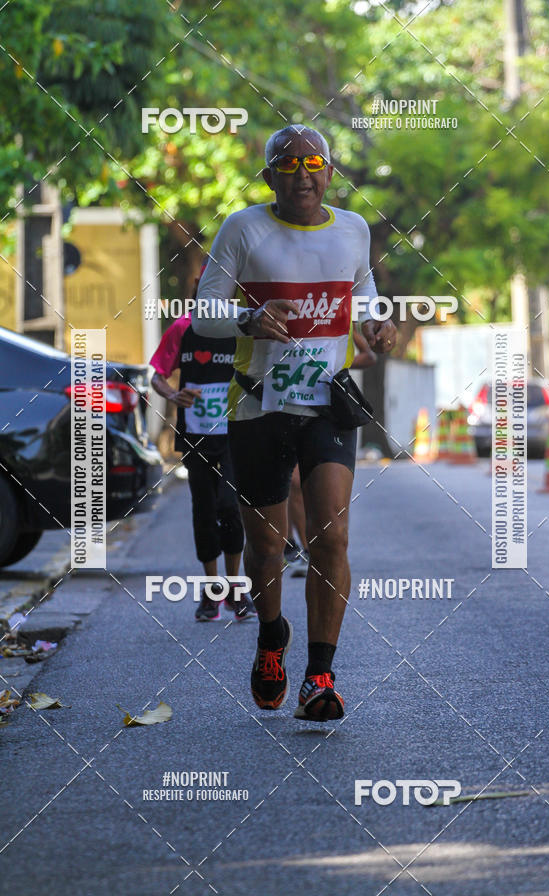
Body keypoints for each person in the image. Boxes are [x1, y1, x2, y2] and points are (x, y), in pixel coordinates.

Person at [192, 124, 396, 721]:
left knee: (330, 537)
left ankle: (320, 675)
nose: (303, 173)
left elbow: (364, 292)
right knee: (264, 543)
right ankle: (271, 637)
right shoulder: (244, 229)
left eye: (314, 162)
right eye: (288, 163)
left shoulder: (353, 230)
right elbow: (205, 313)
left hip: (326, 404)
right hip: (257, 403)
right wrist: (249, 319)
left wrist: (377, 323)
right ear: (268, 177)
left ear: (330, 172)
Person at [149, 309, 257, 623]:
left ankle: (235, 587)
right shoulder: (183, 327)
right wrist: (173, 394)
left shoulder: (244, 325)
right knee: (204, 511)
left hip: (234, 435)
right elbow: (157, 373)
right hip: (195, 436)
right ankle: (212, 590)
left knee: (230, 507)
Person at [284, 328, 377, 579]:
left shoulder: (338, 307)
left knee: (316, 495)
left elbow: (370, 356)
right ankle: (296, 545)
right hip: (280, 401)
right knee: (292, 486)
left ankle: (310, 549)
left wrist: (333, 363)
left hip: (326, 407)